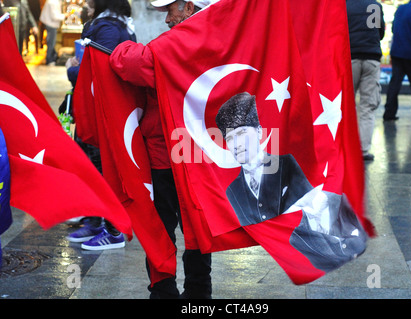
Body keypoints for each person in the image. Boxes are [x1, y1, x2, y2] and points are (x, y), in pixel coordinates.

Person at [109, 0, 214, 299]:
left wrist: (118, 46)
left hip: (165, 155)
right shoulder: (218, 41)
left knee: (161, 230)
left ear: (188, 7)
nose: (167, 19)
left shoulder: (173, 46)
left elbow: (129, 63)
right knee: (196, 228)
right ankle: (198, 292)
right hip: (198, 155)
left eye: (171, 10)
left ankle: (163, 290)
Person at [65, 0, 137, 251]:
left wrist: (73, 71)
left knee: (101, 168)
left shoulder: (108, 28)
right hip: (96, 108)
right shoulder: (111, 25)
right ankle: (95, 220)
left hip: (101, 110)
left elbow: (100, 72)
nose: (85, 3)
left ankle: (112, 228)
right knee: (92, 166)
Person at [215, 92, 314, 226]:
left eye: (241, 133)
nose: (236, 144)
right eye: (230, 138)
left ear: (259, 131)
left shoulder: (285, 165)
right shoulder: (233, 191)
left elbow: (312, 208)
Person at [347, 0, 385, 161]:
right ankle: (363, 150)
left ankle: (344, 147)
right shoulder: (375, 6)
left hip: (349, 58)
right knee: (367, 106)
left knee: (345, 105)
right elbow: (379, 33)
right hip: (371, 58)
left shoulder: (344, 5)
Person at [39, 0, 67, 65]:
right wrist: (64, 16)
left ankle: (51, 58)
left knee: (51, 42)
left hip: (51, 24)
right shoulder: (52, 2)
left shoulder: (54, 2)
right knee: (51, 42)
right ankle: (49, 60)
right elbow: (54, 16)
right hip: (50, 24)